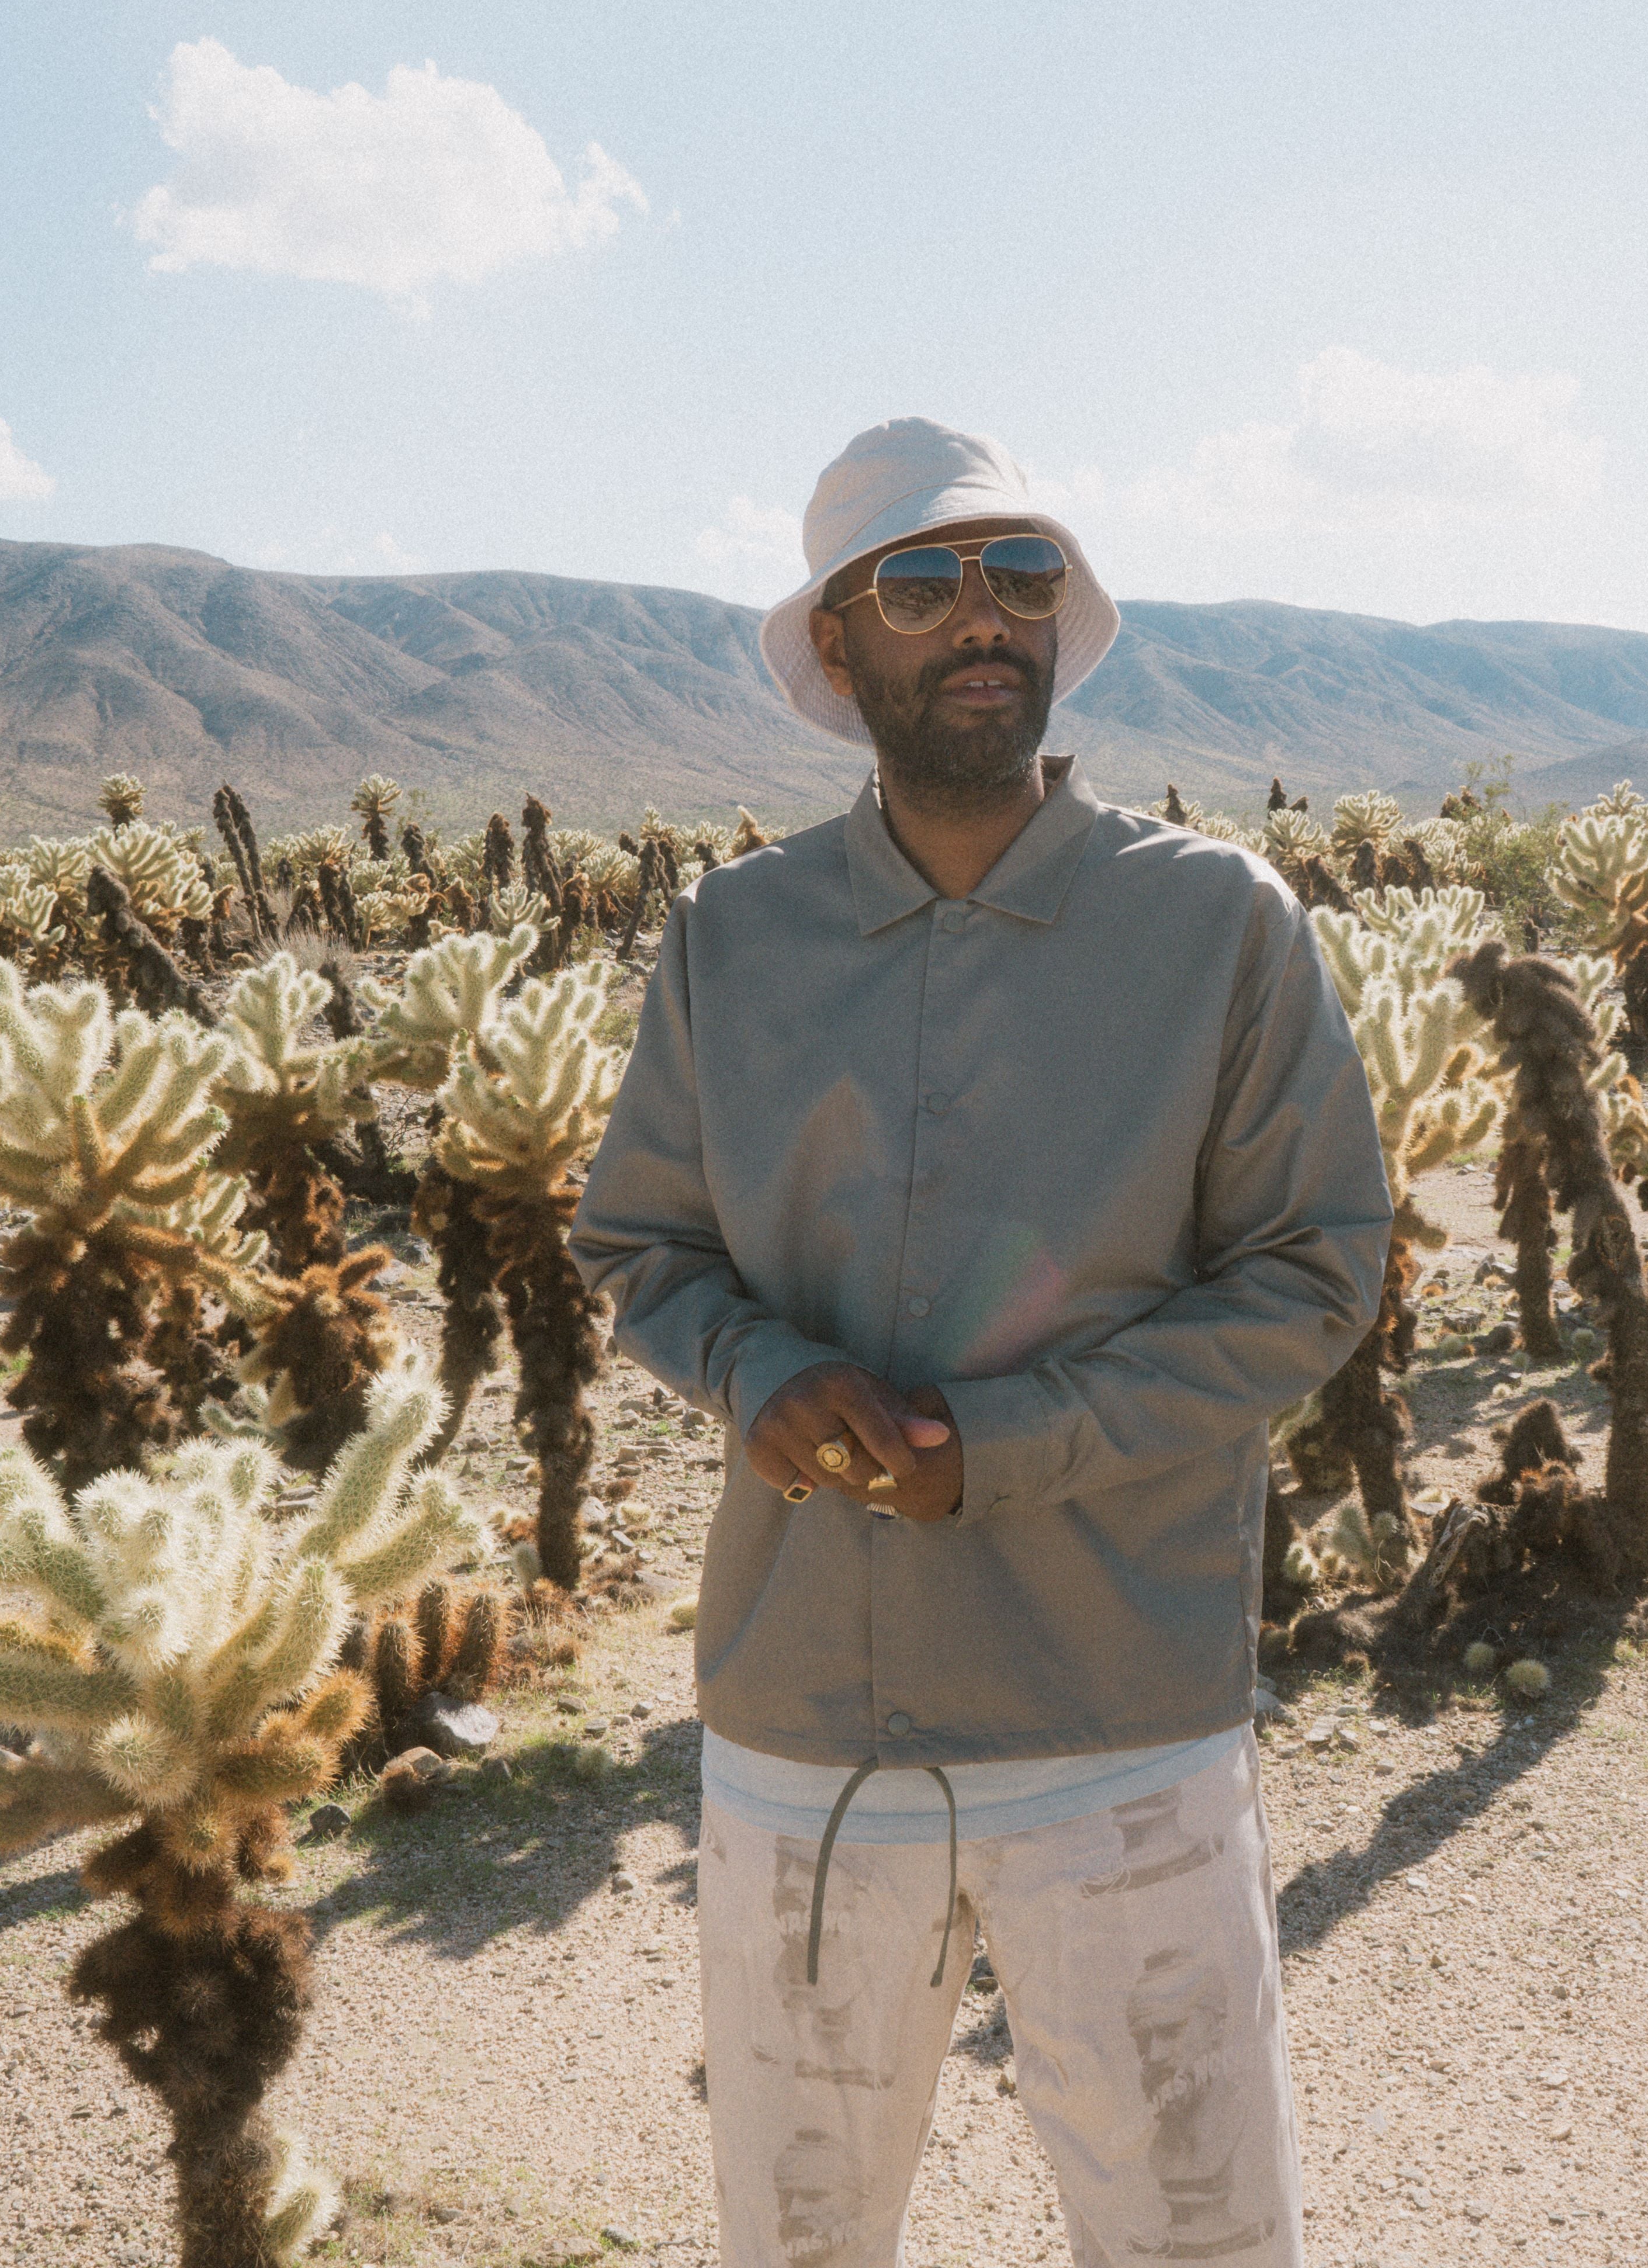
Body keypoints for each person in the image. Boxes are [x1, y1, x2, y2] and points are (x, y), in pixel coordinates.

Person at [569, 416, 1394, 2267]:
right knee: (797, 2241)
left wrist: (1006, 1449)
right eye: (922, 584)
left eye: (1020, 574)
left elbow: (1314, 1270)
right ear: (837, 642)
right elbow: (643, 1243)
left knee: (1197, 2243)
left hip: (1123, 1726)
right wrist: (761, 1377)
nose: (981, 617)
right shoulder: (732, 939)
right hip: (805, 1730)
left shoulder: (1218, 927)